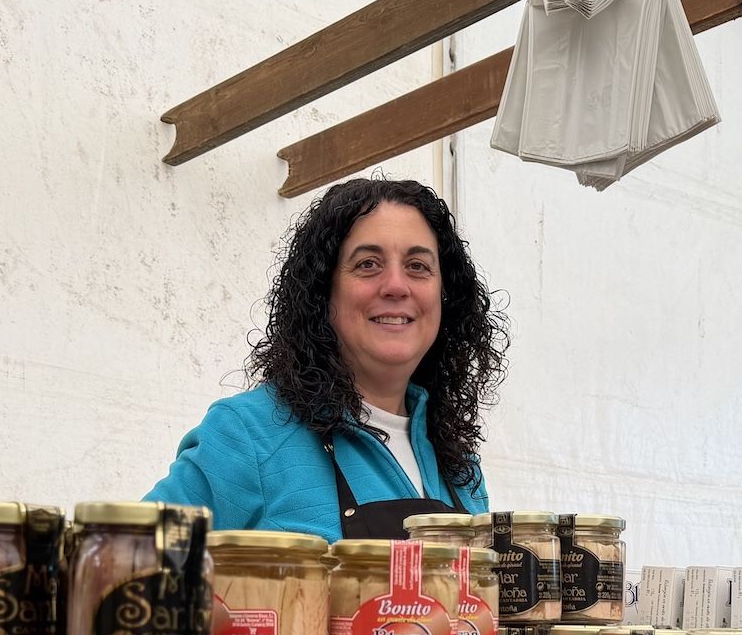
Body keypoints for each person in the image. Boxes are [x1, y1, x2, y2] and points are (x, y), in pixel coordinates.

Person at [147, 178, 505, 539]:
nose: (397, 285)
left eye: (417, 266)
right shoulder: (248, 435)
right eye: (368, 264)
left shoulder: (460, 469)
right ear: (323, 291)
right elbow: (131, 568)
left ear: (445, 295)